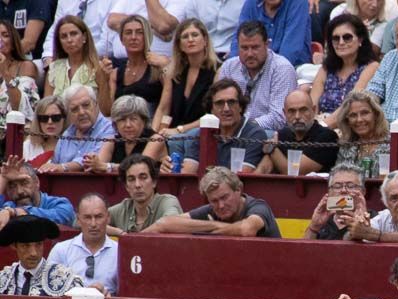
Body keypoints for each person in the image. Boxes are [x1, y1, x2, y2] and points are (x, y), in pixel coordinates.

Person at [144, 165, 281, 236]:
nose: (220, 205)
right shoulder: (212, 210)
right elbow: (164, 223)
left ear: (238, 190)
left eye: (225, 197)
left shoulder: (258, 207)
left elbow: (247, 229)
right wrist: (129, 241)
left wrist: (210, 228)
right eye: (214, 201)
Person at [172, 79, 270, 173]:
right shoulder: (201, 134)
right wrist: (169, 167)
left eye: (231, 102)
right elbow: (189, 171)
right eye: (219, 103)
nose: (226, 108)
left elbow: (241, 178)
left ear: (240, 107)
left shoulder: (254, 134)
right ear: (211, 109)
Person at [216, 20, 296, 132]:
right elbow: (217, 106)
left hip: (265, 133)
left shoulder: (282, 68)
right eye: (244, 48)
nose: (250, 54)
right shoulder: (229, 67)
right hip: (229, 128)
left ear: (267, 45)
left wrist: (243, 128)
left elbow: (279, 118)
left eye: (255, 47)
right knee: (188, 140)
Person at [153, 18, 219, 135]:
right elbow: (163, 109)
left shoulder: (217, 70)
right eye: (185, 36)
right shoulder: (173, 72)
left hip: (203, 133)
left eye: (195, 35)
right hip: (171, 133)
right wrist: (152, 135)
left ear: (205, 41)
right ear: (179, 45)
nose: (190, 40)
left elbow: (215, 114)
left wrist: (180, 130)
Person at [311, 14, 379, 123]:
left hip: (350, 127)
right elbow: (312, 105)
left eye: (347, 37)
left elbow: (350, 105)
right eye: (336, 38)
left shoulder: (371, 67)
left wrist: (322, 128)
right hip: (319, 127)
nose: (341, 42)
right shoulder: (326, 69)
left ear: (360, 39)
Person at [46, 193, 116, 295]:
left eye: (98, 217)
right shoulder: (61, 250)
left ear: (108, 217)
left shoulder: (120, 252)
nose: (93, 224)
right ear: (78, 220)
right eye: (87, 217)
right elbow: (49, 291)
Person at [0, 217, 81, 297]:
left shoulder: (66, 279)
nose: (33, 253)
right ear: (14, 246)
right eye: (25, 246)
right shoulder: (3, 278)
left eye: (38, 244)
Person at [107, 153, 183, 234]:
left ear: (154, 181)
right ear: (126, 186)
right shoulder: (123, 208)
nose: (137, 185)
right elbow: (95, 222)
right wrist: (119, 233)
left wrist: (130, 238)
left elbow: (169, 223)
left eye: (143, 177)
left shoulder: (167, 202)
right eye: (131, 179)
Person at [46, 16, 111, 111]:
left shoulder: (97, 67)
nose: (69, 40)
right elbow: (46, 107)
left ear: (84, 37)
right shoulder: (54, 68)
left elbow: (106, 111)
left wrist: (104, 80)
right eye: (64, 36)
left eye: (73, 34)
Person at [45, 85, 115, 172]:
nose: (81, 112)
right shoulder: (67, 133)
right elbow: (55, 165)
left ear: (96, 104)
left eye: (86, 105)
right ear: (68, 114)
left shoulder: (108, 128)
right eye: (74, 109)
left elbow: (98, 163)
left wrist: (63, 167)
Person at [270, 89, 341, 174]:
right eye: (291, 111)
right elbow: (264, 169)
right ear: (284, 113)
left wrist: (272, 149)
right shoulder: (281, 134)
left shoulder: (327, 137)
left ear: (314, 110)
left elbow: (294, 173)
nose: (297, 116)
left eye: (303, 110)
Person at [89, 95, 165, 173]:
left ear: (144, 121)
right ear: (115, 124)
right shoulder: (112, 141)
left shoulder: (156, 140)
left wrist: (108, 167)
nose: (128, 125)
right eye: (122, 119)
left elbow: (140, 169)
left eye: (133, 119)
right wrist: (92, 162)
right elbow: (99, 167)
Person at [107, 15, 164, 112]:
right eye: (128, 33)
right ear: (122, 39)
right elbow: (109, 111)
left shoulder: (158, 67)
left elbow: (166, 108)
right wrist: (103, 79)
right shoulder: (116, 73)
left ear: (147, 36)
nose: (133, 37)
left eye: (139, 32)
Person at [103, 0, 190, 59]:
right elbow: (112, 20)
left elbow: (163, 25)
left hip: (156, 64)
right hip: (122, 63)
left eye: (139, 31)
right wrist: (154, 29)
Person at [0, 157, 76, 225]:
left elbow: (64, 215)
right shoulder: (8, 206)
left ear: (37, 182)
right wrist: (3, 178)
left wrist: (17, 212)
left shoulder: (59, 204)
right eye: (12, 186)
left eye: (24, 183)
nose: (19, 191)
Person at [303, 164, 368, 240]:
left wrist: (364, 228)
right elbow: (302, 250)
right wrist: (314, 226)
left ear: (363, 192)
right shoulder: (323, 220)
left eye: (350, 186)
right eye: (337, 186)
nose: (343, 190)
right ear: (329, 192)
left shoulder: (375, 219)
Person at [237, 0, 310, 66]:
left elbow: (290, 50)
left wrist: (268, 73)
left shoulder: (298, 2)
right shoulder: (251, 3)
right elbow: (238, 39)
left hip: (293, 68)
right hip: (255, 67)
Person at [335, 90, 389, 172]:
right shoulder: (346, 146)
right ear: (347, 120)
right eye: (353, 115)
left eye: (365, 113)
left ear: (376, 115)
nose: (359, 119)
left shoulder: (392, 143)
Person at [0, 20, 37, 121]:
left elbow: (21, 108)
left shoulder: (25, 66)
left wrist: (5, 73)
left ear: (13, 42)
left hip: (14, 130)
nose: (0, 40)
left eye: (5, 35)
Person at [24, 96, 66, 168]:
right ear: (38, 121)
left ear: (64, 118)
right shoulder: (28, 146)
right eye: (44, 118)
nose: (50, 122)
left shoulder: (73, 146)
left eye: (56, 117)